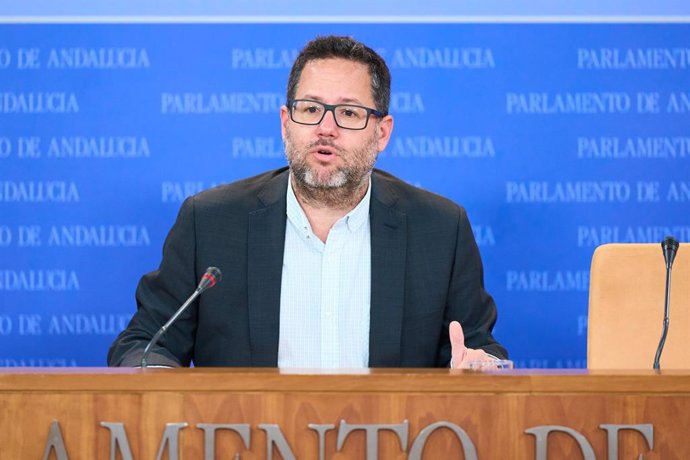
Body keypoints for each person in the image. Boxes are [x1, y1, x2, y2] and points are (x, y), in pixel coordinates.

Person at [108, 35, 507, 368]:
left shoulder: (439, 230)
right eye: (311, 109)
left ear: (382, 133)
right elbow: (142, 345)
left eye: (348, 113)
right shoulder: (210, 223)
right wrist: (155, 375)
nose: (325, 128)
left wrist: (481, 369)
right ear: (286, 122)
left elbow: (481, 353)